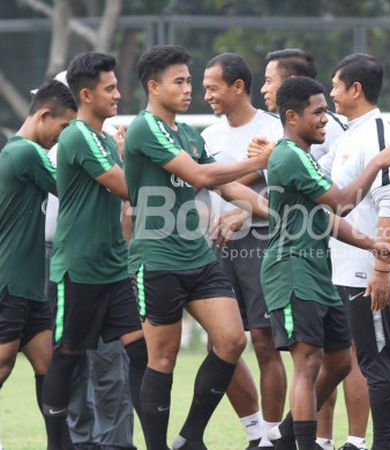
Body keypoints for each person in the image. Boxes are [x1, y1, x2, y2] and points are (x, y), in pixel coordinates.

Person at [124, 44, 272, 450]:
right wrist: (258, 163)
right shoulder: (145, 127)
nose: (189, 89)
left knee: (231, 340)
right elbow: (200, 176)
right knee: (164, 359)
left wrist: (273, 211)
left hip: (198, 255)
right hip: (157, 259)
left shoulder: (186, 133)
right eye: (180, 81)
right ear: (153, 87)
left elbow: (225, 184)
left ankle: (190, 438)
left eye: (190, 81)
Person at [259, 75, 390, 450]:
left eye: (326, 110)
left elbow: (325, 219)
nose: (326, 119)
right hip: (291, 272)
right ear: (292, 117)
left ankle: (286, 436)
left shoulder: (302, 156)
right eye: (318, 112)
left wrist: (372, 243)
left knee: (340, 361)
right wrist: (376, 163)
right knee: (307, 365)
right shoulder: (288, 154)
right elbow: (342, 202)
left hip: (317, 274)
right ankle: (302, 443)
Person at [40, 53, 150, 450]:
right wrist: (175, 170)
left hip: (114, 268)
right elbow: (126, 188)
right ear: (85, 95)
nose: (119, 94)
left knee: (139, 354)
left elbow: (125, 205)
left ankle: (144, 441)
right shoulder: (77, 135)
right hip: (79, 269)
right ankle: (60, 444)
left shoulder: (104, 138)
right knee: (68, 358)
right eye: (110, 88)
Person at [319, 53, 390, 450]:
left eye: (336, 85)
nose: (331, 93)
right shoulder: (351, 134)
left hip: (369, 269)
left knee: (378, 360)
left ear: (355, 89)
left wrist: (379, 268)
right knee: (386, 353)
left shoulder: (379, 134)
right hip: (351, 267)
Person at [201, 52, 284, 449]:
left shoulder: (274, 129)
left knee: (265, 342)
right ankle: (254, 433)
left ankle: (271, 436)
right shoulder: (210, 136)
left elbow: (284, 182)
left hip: (262, 244)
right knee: (221, 343)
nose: (205, 96)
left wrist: (241, 210)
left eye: (212, 88)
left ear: (238, 87)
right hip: (218, 249)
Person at [0, 79, 76, 447]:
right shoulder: (26, 153)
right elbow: (72, 189)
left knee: (50, 367)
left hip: (30, 285)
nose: (61, 138)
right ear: (44, 115)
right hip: (8, 281)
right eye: (62, 127)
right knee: (3, 365)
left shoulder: (29, 154)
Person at [260, 49, 347, 162]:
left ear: (292, 81)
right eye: (317, 112)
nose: (263, 89)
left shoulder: (334, 128)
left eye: (268, 81)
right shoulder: (266, 134)